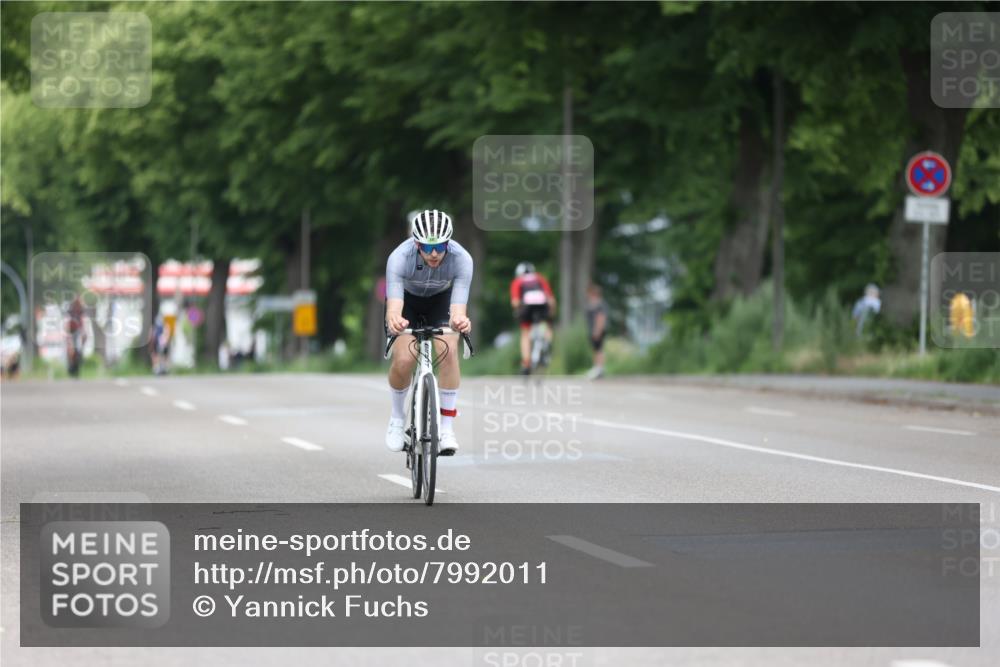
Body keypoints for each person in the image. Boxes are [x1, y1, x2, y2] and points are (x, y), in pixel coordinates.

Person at [384, 210, 473, 456]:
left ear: (449, 242)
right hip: (407, 301)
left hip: (440, 301)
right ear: (416, 243)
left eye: (440, 246)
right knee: (403, 359)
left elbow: (457, 310)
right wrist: (394, 320)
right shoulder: (399, 258)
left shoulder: (462, 259)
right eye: (427, 247)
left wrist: (461, 322)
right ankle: (397, 419)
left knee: (448, 349)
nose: (434, 253)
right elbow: (394, 308)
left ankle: (446, 429)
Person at [509, 262, 555, 375]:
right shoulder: (540, 278)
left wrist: (518, 310)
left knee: (525, 334)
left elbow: (515, 302)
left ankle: (526, 363)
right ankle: (547, 342)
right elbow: (551, 299)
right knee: (546, 324)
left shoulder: (518, 281)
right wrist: (551, 313)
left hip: (527, 306)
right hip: (542, 305)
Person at [585, 283, 607, 379]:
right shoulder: (593, 304)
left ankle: (599, 368)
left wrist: (597, 330)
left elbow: (601, 317)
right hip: (594, 330)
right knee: (596, 349)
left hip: (597, 330)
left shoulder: (599, 304)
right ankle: (597, 368)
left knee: (598, 349)